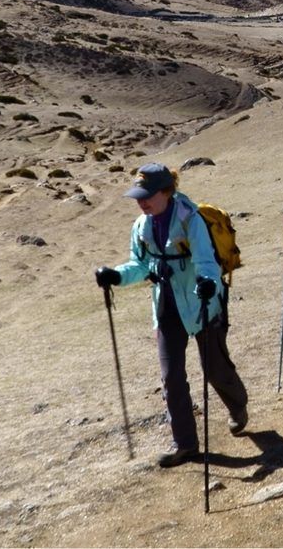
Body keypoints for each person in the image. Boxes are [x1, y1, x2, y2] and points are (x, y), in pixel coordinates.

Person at [93, 163, 249, 467]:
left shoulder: (191, 220)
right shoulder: (141, 226)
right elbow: (140, 265)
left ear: (167, 192)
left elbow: (206, 261)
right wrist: (115, 275)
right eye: (139, 196)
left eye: (148, 195)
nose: (142, 201)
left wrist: (207, 283)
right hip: (166, 304)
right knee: (171, 377)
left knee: (214, 369)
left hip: (203, 301)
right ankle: (185, 444)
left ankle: (238, 405)